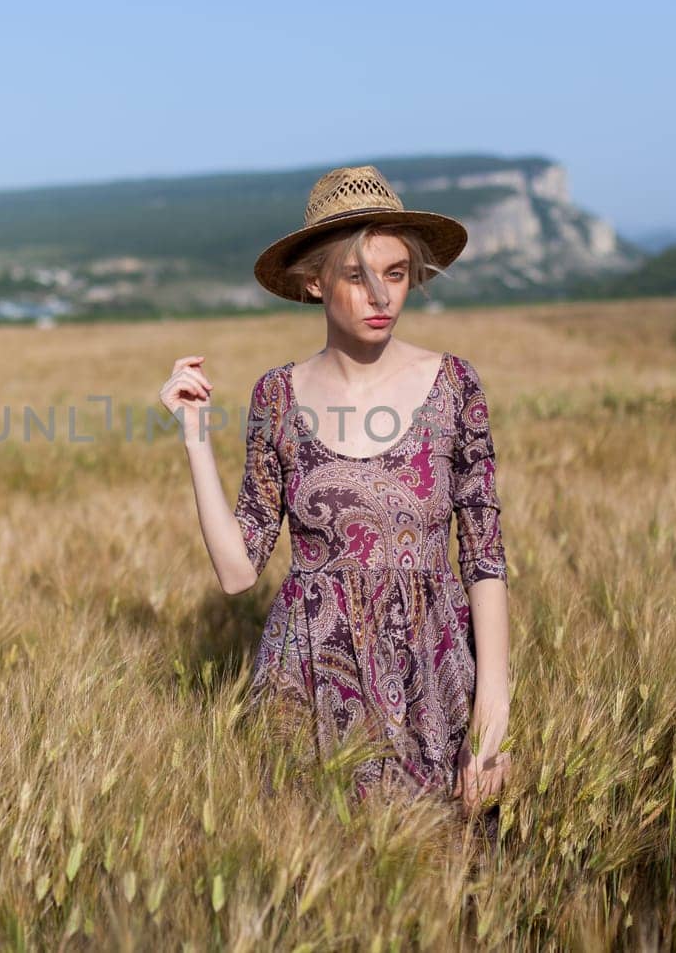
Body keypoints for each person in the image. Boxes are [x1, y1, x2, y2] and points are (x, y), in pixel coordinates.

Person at [160, 165, 512, 822]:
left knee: (454, 889)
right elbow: (239, 571)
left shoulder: (455, 384)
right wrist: (194, 435)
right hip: (308, 683)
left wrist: (493, 715)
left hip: (433, 682)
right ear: (315, 281)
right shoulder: (276, 396)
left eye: (397, 272)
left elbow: (485, 555)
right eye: (357, 276)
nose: (381, 294)